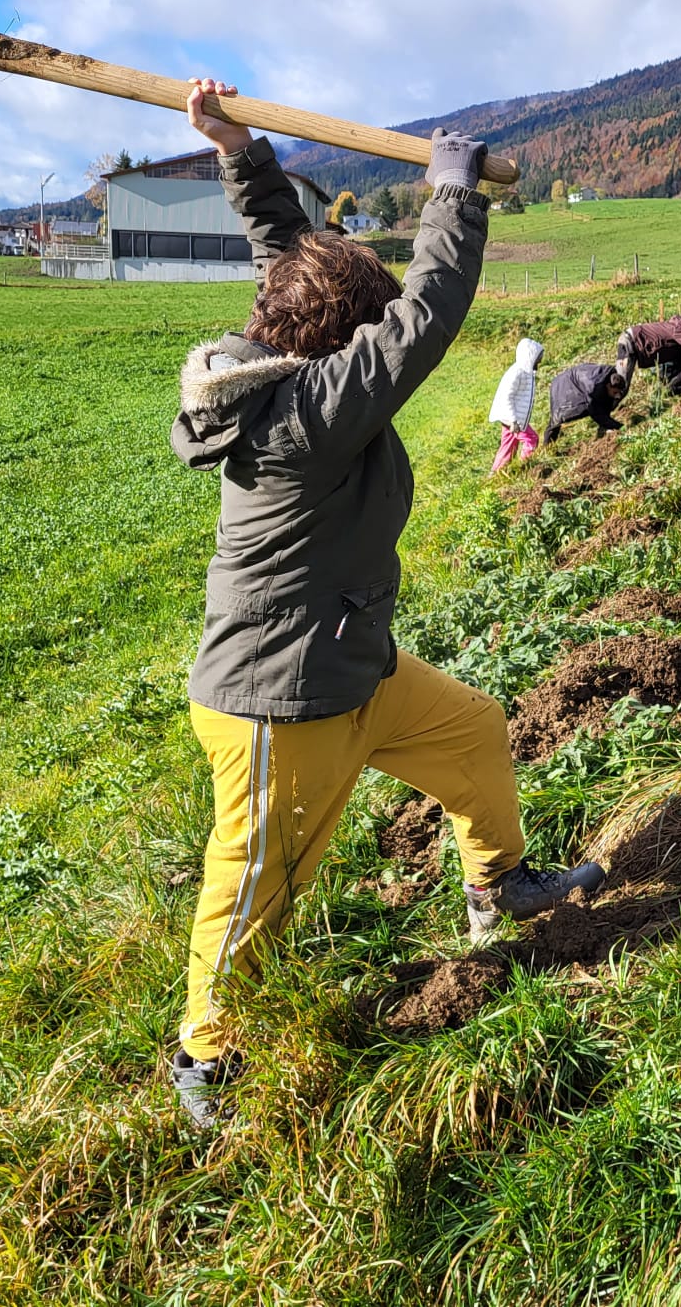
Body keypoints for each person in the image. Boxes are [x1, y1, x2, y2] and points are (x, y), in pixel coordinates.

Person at [167, 78, 604, 1128]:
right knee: (258, 883)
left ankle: (496, 888)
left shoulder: (290, 362)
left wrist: (240, 151)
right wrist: (453, 196)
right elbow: (424, 320)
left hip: (350, 661)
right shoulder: (304, 413)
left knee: (472, 732)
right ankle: (208, 1059)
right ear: (334, 344)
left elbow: (291, 258)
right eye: (356, 329)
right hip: (279, 696)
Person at [489, 337, 545, 473]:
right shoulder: (518, 373)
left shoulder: (525, 372)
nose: (540, 361)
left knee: (508, 446)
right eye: (538, 358)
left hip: (511, 417)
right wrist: (513, 420)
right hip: (511, 417)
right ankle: (524, 468)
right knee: (532, 439)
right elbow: (507, 397)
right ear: (530, 356)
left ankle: (495, 474)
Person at [542, 363, 629, 445]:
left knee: (603, 403)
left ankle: (605, 428)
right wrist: (620, 427)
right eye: (615, 392)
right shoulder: (594, 388)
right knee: (557, 418)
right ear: (608, 385)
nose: (617, 396)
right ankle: (547, 447)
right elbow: (597, 414)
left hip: (578, 381)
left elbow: (604, 408)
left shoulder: (607, 377)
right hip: (563, 386)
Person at [614, 313, 681, 389]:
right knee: (619, 386)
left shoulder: (678, 336)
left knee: (618, 386)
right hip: (630, 342)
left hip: (632, 341)